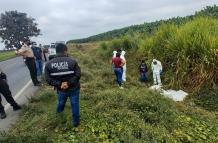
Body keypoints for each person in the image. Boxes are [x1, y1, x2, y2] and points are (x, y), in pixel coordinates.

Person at [45, 43, 81, 127]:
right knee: (75, 104)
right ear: (65, 50)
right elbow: (78, 74)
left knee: (61, 103)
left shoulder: (48, 64)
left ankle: (58, 119)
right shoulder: (73, 61)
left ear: (56, 51)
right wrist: (68, 83)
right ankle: (76, 123)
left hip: (61, 90)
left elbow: (48, 79)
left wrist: (59, 84)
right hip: (74, 88)